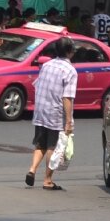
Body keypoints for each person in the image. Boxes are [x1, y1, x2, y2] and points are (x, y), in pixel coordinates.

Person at [26, 40, 79, 192]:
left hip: (41, 109)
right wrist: (69, 121)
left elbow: (37, 85)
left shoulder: (47, 65)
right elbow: (67, 97)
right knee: (53, 146)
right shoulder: (70, 71)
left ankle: (32, 170)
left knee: (40, 144)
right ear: (70, 51)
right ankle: (48, 180)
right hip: (56, 113)